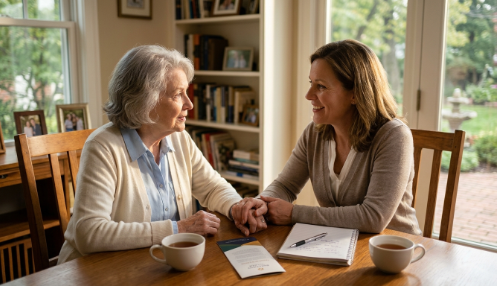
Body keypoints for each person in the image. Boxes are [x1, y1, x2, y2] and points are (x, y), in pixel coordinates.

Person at [58, 45, 266, 264]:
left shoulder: (178, 138)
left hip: (157, 264)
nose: (189, 103)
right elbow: (89, 233)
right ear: (145, 102)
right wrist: (178, 228)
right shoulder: (103, 147)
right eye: (178, 94)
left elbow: (213, 187)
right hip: (98, 271)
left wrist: (236, 208)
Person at [235, 39, 422, 236]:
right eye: (311, 83)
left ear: (356, 94)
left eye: (321, 86)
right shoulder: (315, 133)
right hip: (337, 244)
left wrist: (294, 214)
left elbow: (373, 218)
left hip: (393, 251)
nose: (308, 95)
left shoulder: (393, 136)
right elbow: (285, 186)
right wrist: (260, 203)